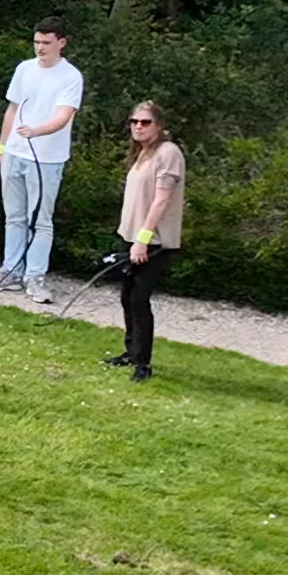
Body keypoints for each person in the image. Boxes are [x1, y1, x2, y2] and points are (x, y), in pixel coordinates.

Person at [0, 20, 86, 305]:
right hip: (14, 153)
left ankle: (35, 276)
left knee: (40, 220)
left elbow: (63, 116)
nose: (40, 48)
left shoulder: (71, 76)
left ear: (61, 42)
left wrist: (37, 131)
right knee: (14, 216)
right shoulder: (24, 69)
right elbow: (12, 109)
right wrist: (1, 148)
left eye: (46, 43)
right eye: (37, 42)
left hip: (47, 158)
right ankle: (10, 271)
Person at [107, 100, 188, 376]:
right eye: (134, 122)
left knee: (140, 298)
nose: (138, 126)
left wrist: (143, 238)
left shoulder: (168, 153)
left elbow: (162, 200)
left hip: (153, 241)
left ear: (159, 125)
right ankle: (131, 352)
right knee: (127, 296)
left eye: (145, 122)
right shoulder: (141, 153)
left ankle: (143, 363)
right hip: (131, 236)